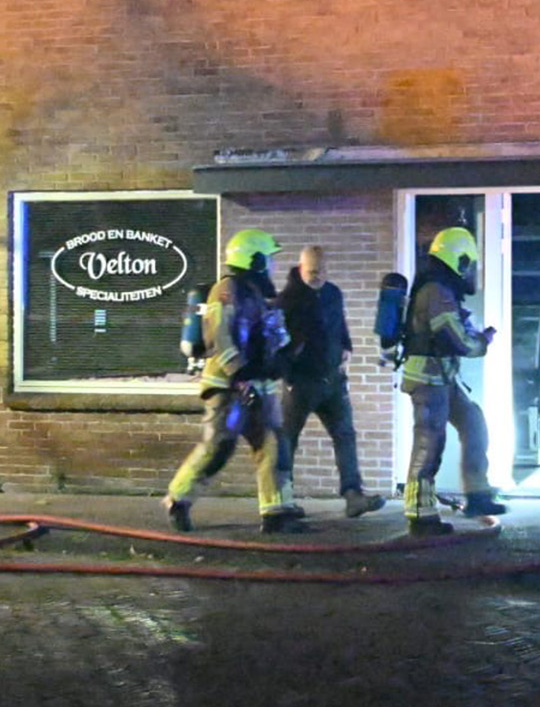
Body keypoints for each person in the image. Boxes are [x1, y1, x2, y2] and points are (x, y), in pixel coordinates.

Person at [162, 228, 303, 534]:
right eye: (267, 259)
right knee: (218, 447)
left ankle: (275, 512)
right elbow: (220, 335)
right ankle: (178, 499)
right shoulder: (226, 290)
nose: (272, 265)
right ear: (254, 260)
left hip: (259, 385)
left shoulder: (258, 294)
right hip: (228, 387)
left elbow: (269, 335)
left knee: (272, 445)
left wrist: (286, 354)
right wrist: (239, 375)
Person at [399, 227, 509, 537]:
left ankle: (478, 494)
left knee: (473, 422)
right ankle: (419, 514)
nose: (470, 271)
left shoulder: (443, 289)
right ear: (458, 260)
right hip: (427, 379)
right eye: (469, 263)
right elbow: (458, 340)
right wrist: (483, 341)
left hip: (442, 376)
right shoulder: (436, 292)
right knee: (429, 442)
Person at [275, 245, 388, 518]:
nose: (318, 276)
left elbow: (340, 324)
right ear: (300, 268)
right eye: (313, 271)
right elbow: (278, 342)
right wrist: (288, 376)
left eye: (323, 271)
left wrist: (346, 346)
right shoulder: (288, 300)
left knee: (345, 434)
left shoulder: (333, 293)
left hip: (332, 379)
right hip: (301, 382)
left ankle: (353, 495)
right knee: (287, 440)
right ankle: (282, 499)